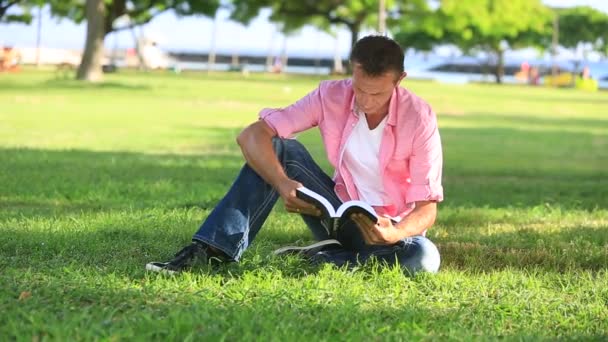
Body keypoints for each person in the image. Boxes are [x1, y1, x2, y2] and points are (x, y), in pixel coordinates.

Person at [146, 35, 443, 275]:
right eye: (359, 88)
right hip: (338, 213)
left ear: (399, 79)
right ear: (353, 68)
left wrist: (395, 233)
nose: (364, 100)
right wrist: (281, 183)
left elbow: (426, 209)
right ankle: (210, 252)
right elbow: (251, 135)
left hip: (390, 232)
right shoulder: (331, 96)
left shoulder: (418, 117)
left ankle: (329, 258)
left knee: (424, 258)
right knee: (280, 149)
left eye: (377, 94)